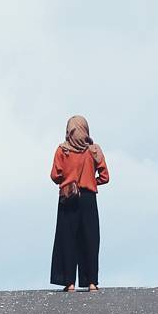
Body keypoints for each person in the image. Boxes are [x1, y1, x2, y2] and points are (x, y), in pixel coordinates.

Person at [49, 114, 109, 291]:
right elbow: (105, 177)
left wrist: (68, 181)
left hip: (68, 198)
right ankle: (91, 283)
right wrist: (91, 181)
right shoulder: (94, 150)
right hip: (89, 198)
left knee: (67, 239)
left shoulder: (63, 150)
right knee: (90, 239)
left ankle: (70, 283)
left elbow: (54, 175)